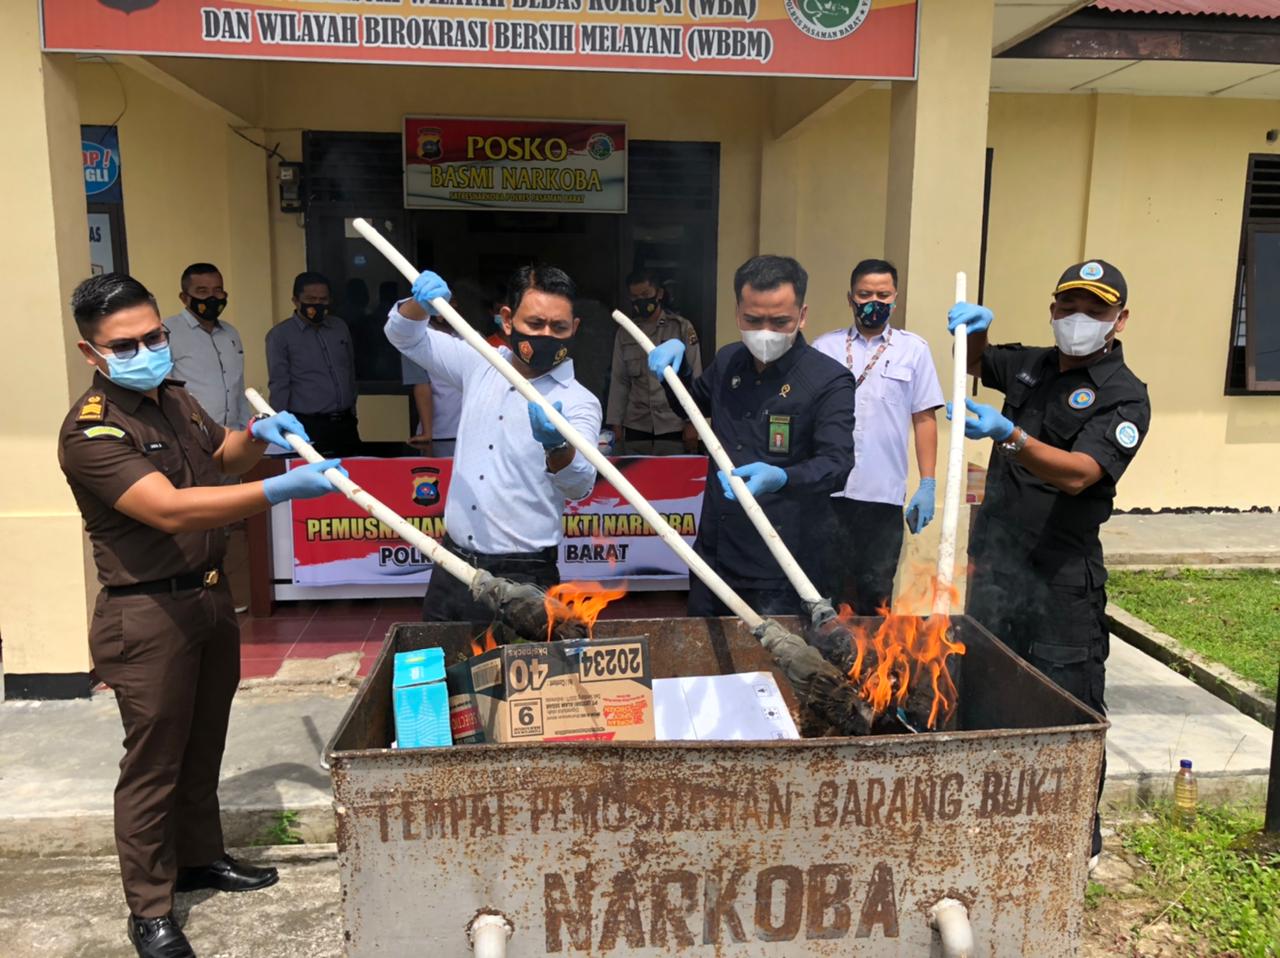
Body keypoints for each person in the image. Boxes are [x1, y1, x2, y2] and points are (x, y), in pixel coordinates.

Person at [57, 273, 344, 958]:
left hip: (209, 599)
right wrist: (280, 488)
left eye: (154, 336)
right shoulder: (92, 430)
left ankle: (199, 857)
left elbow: (219, 457)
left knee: (203, 742)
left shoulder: (175, 399)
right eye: (125, 345)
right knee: (153, 764)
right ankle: (151, 908)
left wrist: (259, 436)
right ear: (91, 352)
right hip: (147, 612)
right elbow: (168, 508)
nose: (146, 351)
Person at [946, 258, 1150, 864]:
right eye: (1070, 305)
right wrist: (974, 329)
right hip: (996, 568)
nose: (1079, 318)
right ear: (1053, 308)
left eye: (1095, 309)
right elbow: (976, 362)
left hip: (1060, 578)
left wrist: (1011, 436)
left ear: (1119, 319)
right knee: (986, 691)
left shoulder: (1123, 394)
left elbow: (1082, 473)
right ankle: (992, 822)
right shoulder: (1031, 364)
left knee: (1067, 702)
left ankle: (1076, 843)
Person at [385, 265, 601, 624]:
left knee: (521, 663)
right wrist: (418, 305)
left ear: (574, 328)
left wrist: (557, 448)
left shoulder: (580, 402)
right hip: (452, 563)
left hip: (524, 572)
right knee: (439, 658)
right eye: (535, 324)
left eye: (559, 327)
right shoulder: (480, 362)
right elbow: (404, 336)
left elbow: (579, 485)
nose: (547, 336)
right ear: (507, 319)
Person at [647, 255, 856, 616]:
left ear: (802, 315)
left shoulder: (828, 380)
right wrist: (675, 373)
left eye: (780, 321)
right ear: (738, 313)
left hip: (785, 564)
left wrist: (783, 478)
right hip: (715, 557)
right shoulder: (728, 360)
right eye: (754, 320)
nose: (766, 332)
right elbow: (690, 407)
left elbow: (836, 465)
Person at [812, 259, 944, 614]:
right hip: (827, 494)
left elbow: (924, 418)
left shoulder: (914, 350)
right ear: (850, 298)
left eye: (883, 295)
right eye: (865, 294)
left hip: (882, 496)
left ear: (895, 298)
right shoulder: (824, 348)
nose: (874, 302)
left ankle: (871, 652)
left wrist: (928, 483)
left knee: (875, 596)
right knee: (824, 593)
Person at [605, 269, 702, 455]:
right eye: (635, 297)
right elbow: (619, 381)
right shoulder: (625, 332)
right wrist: (615, 423)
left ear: (659, 294)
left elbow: (695, 377)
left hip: (673, 424)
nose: (640, 301)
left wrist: (692, 422)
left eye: (645, 295)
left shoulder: (680, 327)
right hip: (636, 424)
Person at [266, 271, 361, 456]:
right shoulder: (280, 335)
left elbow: (350, 371)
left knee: (353, 471)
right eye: (311, 299)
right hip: (307, 426)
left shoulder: (339, 327)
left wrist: (353, 412)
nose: (317, 304)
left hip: (345, 424)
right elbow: (279, 384)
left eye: (323, 299)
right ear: (296, 301)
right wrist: (279, 428)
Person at [164, 263, 251, 429]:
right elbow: (165, 392)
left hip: (234, 433)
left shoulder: (230, 333)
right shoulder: (167, 332)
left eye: (218, 290)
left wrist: (246, 429)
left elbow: (238, 388)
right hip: (193, 433)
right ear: (184, 298)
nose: (212, 298)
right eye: (202, 291)